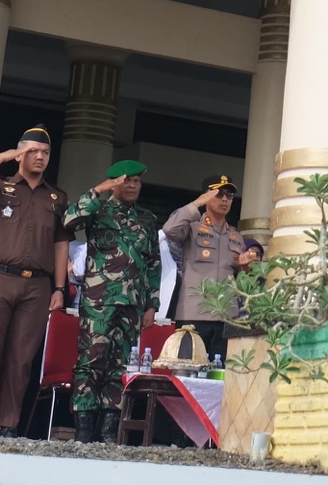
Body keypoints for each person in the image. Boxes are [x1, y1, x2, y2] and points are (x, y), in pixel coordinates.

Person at [0, 127, 68, 435]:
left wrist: (60, 288)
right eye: (33, 151)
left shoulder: (57, 197)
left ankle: (9, 425)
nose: (40, 157)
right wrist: (2, 157)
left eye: (45, 152)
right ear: (20, 154)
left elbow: (61, 244)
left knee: (21, 360)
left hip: (38, 285)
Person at [63, 160, 162, 444]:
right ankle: (83, 429)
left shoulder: (147, 218)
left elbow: (153, 264)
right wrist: (98, 190)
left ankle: (108, 430)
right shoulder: (99, 210)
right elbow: (69, 221)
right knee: (90, 361)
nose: (132, 186)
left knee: (120, 366)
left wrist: (152, 304)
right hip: (99, 301)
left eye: (136, 181)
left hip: (132, 303)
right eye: (126, 180)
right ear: (115, 183)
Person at [161, 174, 256, 361]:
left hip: (225, 315)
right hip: (194, 313)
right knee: (188, 367)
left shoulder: (236, 236)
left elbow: (243, 280)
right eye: (219, 194)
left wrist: (245, 267)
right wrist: (196, 204)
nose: (225, 199)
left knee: (221, 371)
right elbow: (169, 229)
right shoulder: (192, 227)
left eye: (229, 196)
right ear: (206, 196)